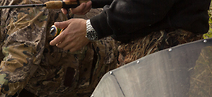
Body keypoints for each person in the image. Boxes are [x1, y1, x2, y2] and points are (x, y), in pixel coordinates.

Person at [50, 0, 211, 66]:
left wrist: (92, 28)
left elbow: (149, 4)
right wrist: (93, 1)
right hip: (150, 52)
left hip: (164, 49)